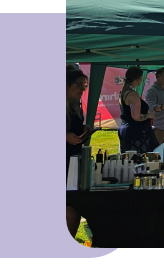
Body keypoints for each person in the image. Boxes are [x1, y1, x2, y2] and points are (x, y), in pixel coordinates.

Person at [66, 69, 93, 238]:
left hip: (73, 160)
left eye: (83, 86)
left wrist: (85, 130)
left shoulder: (75, 104)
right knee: (70, 205)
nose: (82, 89)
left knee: (73, 205)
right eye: (78, 85)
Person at [118, 67, 157, 154]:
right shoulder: (133, 94)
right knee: (139, 158)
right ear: (138, 78)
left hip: (126, 128)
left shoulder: (124, 92)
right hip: (136, 132)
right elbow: (136, 116)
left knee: (129, 158)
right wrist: (149, 115)